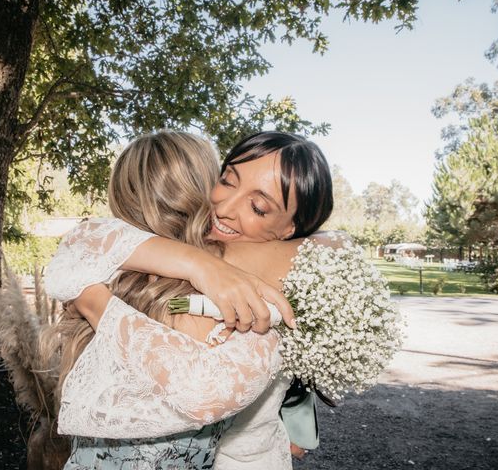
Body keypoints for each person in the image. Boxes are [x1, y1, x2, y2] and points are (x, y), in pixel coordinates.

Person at [45, 130, 337, 469]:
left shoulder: (104, 271)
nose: (225, 208)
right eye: (227, 182)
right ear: (204, 185)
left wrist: (92, 300)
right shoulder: (152, 273)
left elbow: (333, 245)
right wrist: (199, 263)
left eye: (257, 206)